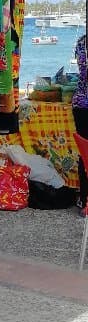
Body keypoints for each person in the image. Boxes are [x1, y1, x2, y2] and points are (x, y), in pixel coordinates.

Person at [72, 33, 88, 206]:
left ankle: (84, 198)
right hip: (84, 105)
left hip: (80, 104)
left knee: (85, 154)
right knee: (85, 153)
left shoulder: (81, 42)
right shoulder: (83, 43)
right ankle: (84, 198)